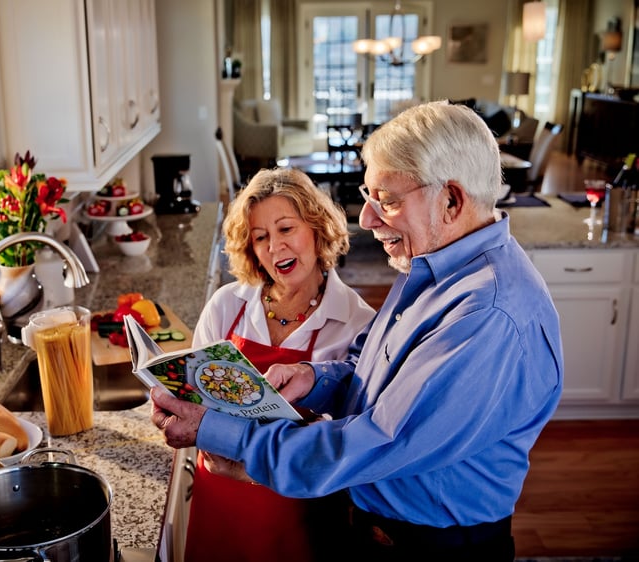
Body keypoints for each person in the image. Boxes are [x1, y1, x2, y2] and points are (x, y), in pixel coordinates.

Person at [151, 101, 564, 562]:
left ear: (451, 200)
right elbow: (374, 364)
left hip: (430, 548)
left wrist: (223, 433)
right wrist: (318, 378)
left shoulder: (486, 313)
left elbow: (378, 439)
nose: (366, 219)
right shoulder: (433, 267)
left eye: (386, 199)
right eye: (367, 197)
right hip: (376, 530)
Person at [184, 167, 376, 562]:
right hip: (218, 499)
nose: (275, 247)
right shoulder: (227, 305)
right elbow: (193, 398)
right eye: (260, 237)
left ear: (317, 228)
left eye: (286, 229)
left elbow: (351, 440)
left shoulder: (357, 323)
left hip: (298, 513)